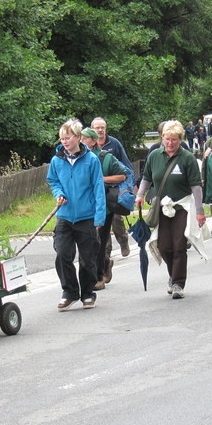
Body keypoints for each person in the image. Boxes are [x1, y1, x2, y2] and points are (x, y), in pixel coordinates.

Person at [135, 120, 206, 299]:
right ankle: (172, 275)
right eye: (167, 139)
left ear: (180, 139)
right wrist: (140, 194)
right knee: (164, 245)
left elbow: (196, 186)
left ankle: (178, 283)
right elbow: (147, 178)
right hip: (162, 207)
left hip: (182, 206)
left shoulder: (186, 158)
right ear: (162, 138)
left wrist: (199, 211)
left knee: (179, 244)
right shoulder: (155, 156)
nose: (170, 143)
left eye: (174, 139)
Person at [47, 119, 106, 310]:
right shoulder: (56, 160)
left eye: (68, 137)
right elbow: (53, 181)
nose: (64, 141)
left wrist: (99, 216)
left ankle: (87, 293)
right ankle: (69, 292)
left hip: (87, 216)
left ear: (79, 138)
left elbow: (98, 188)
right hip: (64, 215)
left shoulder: (91, 160)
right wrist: (59, 194)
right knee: (62, 254)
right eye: (62, 138)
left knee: (88, 259)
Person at [79, 127, 131, 290]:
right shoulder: (78, 158)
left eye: (84, 138)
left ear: (94, 141)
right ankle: (106, 263)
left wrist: (101, 179)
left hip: (105, 206)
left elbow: (123, 174)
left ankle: (99, 277)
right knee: (88, 241)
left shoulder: (105, 157)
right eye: (80, 138)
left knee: (99, 242)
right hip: (84, 206)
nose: (81, 141)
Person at [91, 117, 133, 259]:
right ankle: (106, 256)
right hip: (96, 193)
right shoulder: (86, 147)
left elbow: (126, 166)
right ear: (92, 130)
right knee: (101, 225)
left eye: (102, 127)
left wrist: (128, 187)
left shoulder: (114, 143)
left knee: (116, 220)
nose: (100, 130)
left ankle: (123, 240)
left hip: (113, 190)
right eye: (97, 128)